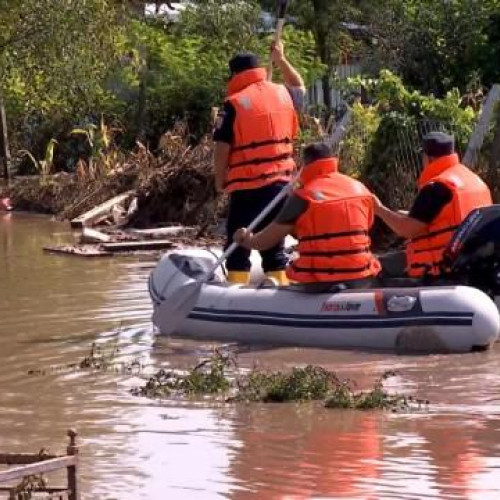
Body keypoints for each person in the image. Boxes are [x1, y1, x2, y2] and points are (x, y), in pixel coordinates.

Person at [213, 41, 305, 285]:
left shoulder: (233, 104)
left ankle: (235, 293)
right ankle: (280, 291)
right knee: (273, 246)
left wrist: (219, 181)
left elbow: (222, 148)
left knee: (237, 247)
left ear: (234, 74)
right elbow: (299, 86)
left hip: (247, 187)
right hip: (280, 186)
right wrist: (282, 59)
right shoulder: (283, 93)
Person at [234, 142, 381, 291]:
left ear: (305, 164)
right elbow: (364, 226)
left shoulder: (302, 197)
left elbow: (265, 241)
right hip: (360, 276)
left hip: (319, 281)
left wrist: (246, 239)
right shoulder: (360, 189)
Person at [374, 131, 492, 278]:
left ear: (428, 158)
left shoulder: (436, 187)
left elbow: (406, 230)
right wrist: (403, 214)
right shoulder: (474, 180)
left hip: (442, 267)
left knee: (377, 266)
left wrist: (378, 209)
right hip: (474, 262)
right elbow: (448, 219)